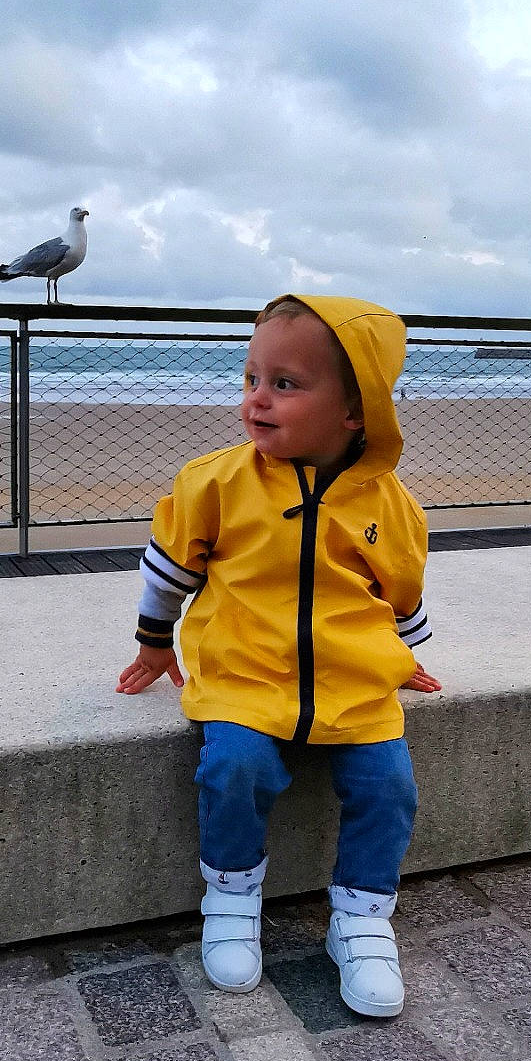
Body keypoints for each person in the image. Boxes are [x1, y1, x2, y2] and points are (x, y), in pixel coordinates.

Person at [117, 294, 440, 1017]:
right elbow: (169, 571)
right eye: (250, 380)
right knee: (235, 766)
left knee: (387, 785)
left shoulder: (391, 506)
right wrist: (151, 641)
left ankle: (360, 920)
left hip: (354, 682)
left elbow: (401, 593)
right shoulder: (215, 483)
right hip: (245, 674)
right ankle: (231, 900)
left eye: (285, 385)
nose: (256, 401)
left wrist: (404, 657)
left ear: (356, 411)